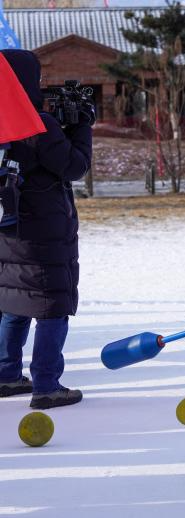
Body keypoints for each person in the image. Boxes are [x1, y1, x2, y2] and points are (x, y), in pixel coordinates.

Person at [0, 49, 92, 409]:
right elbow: (73, 166)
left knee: (13, 301)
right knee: (53, 305)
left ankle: (6, 374)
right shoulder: (37, 124)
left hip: (8, 228)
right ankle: (47, 385)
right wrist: (82, 125)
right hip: (45, 231)